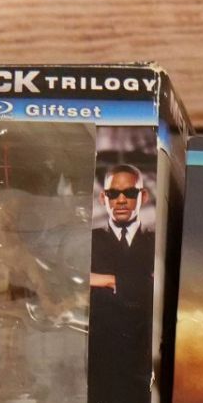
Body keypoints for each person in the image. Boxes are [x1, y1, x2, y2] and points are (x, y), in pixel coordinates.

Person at [89, 163, 155, 380]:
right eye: (113, 193)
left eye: (130, 193)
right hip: (99, 356)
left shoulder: (157, 242)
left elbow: (153, 289)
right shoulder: (89, 241)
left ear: (143, 196)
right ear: (103, 198)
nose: (121, 200)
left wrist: (105, 280)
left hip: (143, 358)